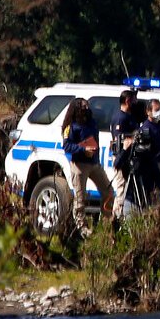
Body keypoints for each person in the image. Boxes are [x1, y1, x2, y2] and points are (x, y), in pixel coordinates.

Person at [62, 98, 114, 234]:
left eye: (87, 106)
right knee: (80, 198)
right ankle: (81, 227)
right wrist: (82, 149)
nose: (86, 108)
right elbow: (66, 146)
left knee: (108, 192)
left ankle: (107, 223)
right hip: (79, 165)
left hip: (94, 163)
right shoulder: (71, 126)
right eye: (83, 106)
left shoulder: (92, 122)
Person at [121, 114, 160, 216]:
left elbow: (158, 179)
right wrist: (124, 150)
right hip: (131, 200)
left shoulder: (149, 159)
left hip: (145, 198)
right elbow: (118, 165)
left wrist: (156, 190)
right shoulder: (130, 158)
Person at [110, 90, 138, 217]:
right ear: (127, 101)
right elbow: (119, 139)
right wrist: (131, 139)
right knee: (121, 189)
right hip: (121, 157)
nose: (135, 102)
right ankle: (116, 219)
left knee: (128, 189)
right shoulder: (120, 118)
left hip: (130, 157)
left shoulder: (130, 116)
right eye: (133, 100)